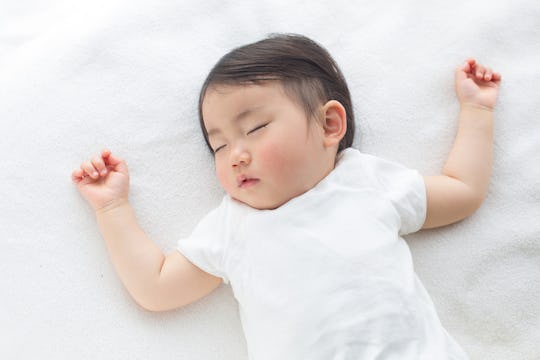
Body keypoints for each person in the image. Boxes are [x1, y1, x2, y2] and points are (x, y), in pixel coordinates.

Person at [71, 34, 501, 359]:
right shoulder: (234, 226)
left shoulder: (366, 183)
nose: (235, 155)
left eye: (254, 129)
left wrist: (477, 111)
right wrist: (112, 207)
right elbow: (157, 287)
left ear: (330, 125)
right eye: (218, 146)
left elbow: (462, 190)